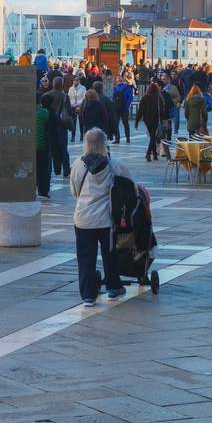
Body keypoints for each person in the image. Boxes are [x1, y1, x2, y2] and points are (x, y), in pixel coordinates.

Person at [69, 128, 132, 308]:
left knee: (85, 257)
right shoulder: (115, 166)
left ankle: (88, 295)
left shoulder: (77, 165)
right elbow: (128, 189)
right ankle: (113, 287)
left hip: (83, 218)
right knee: (110, 254)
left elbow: (74, 192)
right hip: (107, 219)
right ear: (104, 144)